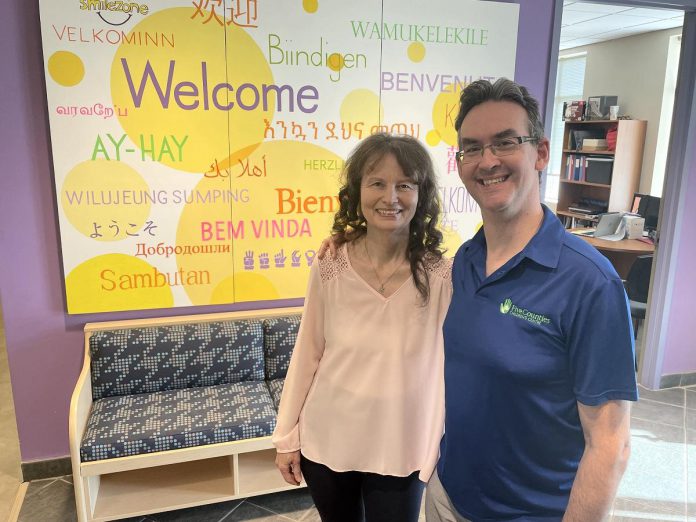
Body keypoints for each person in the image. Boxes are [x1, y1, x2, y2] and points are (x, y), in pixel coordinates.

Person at [426, 78, 638, 521]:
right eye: (471, 147)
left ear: (540, 152)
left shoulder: (590, 283)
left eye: (505, 142)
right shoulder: (465, 261)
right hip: (448, 499)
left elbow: (610, 445)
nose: (487, 161)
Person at [272, 132, 453, 522]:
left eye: (404, 185)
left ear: (421, 195)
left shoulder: (440, 276)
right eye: (377, 183)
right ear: (357, 191)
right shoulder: (331, 264)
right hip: (330, 440)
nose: (390, 197)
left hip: (402, 446)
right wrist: (287, 437)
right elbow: (308, 353)